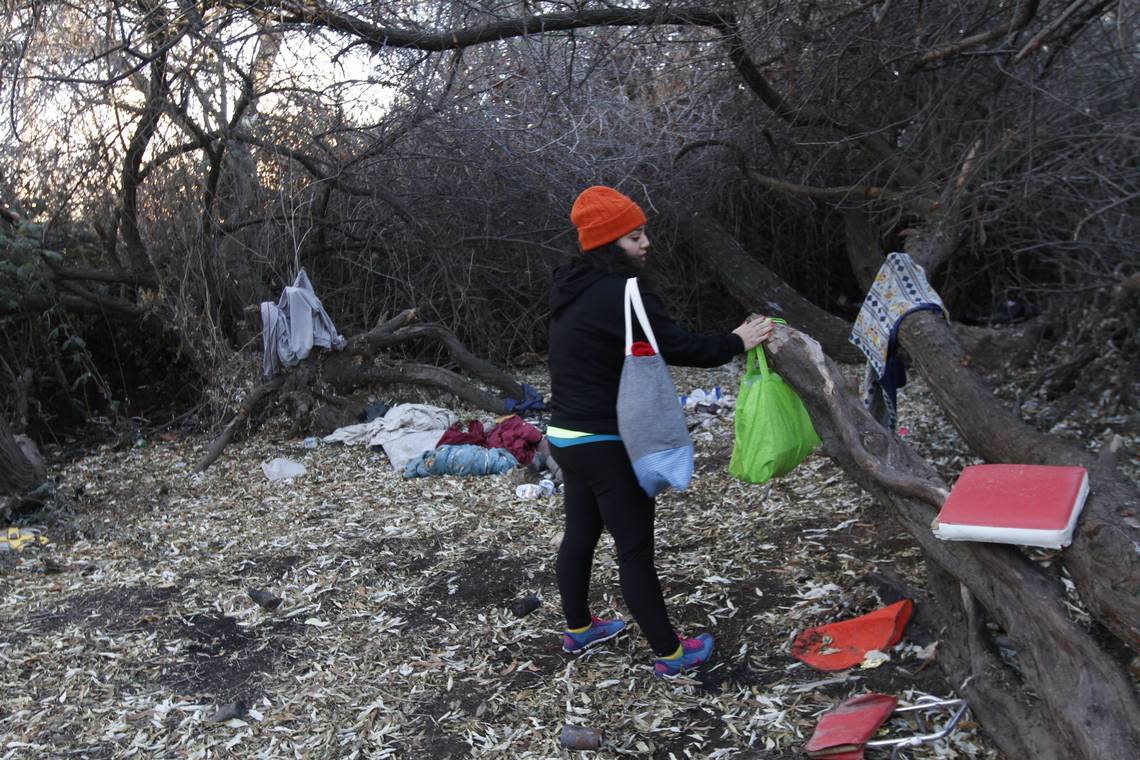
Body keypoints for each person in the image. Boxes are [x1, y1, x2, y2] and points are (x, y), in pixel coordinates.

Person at [547, 185, 774, 678]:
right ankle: (672, 655)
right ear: (610, 244)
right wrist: (737, 340)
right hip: (605, 439)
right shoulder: (626, 290)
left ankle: (579, 629)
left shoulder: (572, 287)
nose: (645, 243)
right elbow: (675, 345)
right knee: (633, 549)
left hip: (564, 435)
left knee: (580, 534)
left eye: (643, 233)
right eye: (633, 237)